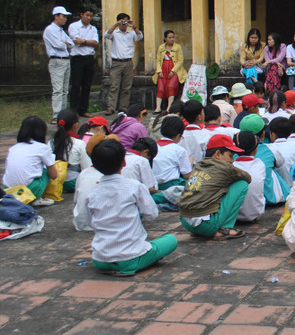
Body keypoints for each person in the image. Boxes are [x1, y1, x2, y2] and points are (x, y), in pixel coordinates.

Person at [85, 140, 177, 276]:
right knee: (171, 240)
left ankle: (117, 264)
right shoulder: (134, 186)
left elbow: (89, 222)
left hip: (100, 259)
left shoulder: (92, 193)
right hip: (130, 258)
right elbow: (152, 214)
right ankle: (130, 266)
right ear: (124, 162)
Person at [177, 134, 250, 239]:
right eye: (230, 156)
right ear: (218, 154)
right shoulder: (225, 167)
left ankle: (205, 229)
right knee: (242, 184)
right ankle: (225, 228)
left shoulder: (199, 165)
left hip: (185, 221)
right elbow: (248, 177)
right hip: (207, 225)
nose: (232, 161)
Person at [2, 116, 60, 206]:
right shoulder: (42, 147)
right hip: (30, 190)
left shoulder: (13, 148)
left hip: (8, 190)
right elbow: (54, 175)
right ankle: (36, 198)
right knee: (47, 170)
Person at [104, 12, 143, 115]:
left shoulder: (131, 33)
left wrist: (134, 26)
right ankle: (111, 107)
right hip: (117, 62)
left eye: (126, 21)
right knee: (114, 86)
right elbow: (107, 35)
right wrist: (116, 25)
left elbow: (140, 37)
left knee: (126, 87)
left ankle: (123, 107)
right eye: (122, 21)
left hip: (128, 62)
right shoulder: (114, 33)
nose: (124, 23)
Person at [44, 5, 74, 122]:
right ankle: (56, 115)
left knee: (65, 89)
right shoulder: (50, 30)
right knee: (58, 89)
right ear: (56, 16)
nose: (65, 19)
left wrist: (66, 43)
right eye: (63, 16)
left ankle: (63, 114)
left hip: (65, 60)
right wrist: (66, 43)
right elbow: (59, 45)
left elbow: (71, 43)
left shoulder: (61, 31)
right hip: (57, 60)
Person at [68, 6, 99, 116]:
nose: (89, 18)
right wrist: (87, 42)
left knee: (87, 85)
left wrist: (84, 41)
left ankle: (84, 109)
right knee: (76, 85)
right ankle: (74, 109)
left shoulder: (93, 29)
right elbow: (77, 41)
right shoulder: (74, 26)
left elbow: (95, 43)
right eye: (87, 15)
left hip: (89, 58)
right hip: (78, 58)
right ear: (82, 15)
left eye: (91, 16)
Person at [52, 108, 92, 192]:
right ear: (75, 125)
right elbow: (87, 168)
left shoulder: (51, 143)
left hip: (55, 181)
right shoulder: (79, 143)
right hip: (73, 183)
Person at [234, 131, 266, 223]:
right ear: (255, 149)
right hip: (256, 212)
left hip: (234, 215)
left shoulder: (232, 166)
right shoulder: (260, 164)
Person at [152, 30, 186, 113]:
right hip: (163, 70)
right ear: (165, 38)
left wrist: (173, 71)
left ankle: (169, 106)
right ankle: (158, 107)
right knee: (160, 87)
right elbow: (158, 60)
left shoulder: (177, 47)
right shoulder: (161, 47)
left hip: (174, 70)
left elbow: (180, 60)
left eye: (173, 37)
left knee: (171, 86)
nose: (172, 39)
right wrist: (159, 71)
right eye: (170, 38)